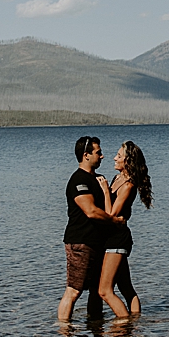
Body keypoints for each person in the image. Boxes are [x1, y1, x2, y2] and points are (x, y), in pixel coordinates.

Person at [58, 136, 124, 324]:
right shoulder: (78, 180)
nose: (102, 156)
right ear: (86, 155)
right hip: (80, 242)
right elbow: (91, 211)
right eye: (98, 153)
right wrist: (114, 221)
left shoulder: (97, 179)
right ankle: (64, 332)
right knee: (74, 290)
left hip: (97, 242)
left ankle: (96, 327)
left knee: (97, 289)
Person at [95, 140, 153, 316]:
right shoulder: (117, 178)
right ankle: (135, 322)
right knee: (126, 287)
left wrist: (105, 191)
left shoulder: (128, 185)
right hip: (111, 237)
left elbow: (111, 214)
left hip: (117, 239)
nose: (114, 158)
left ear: (127, 161)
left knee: (104, 291)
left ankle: (123, 323)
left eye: (119, 156)